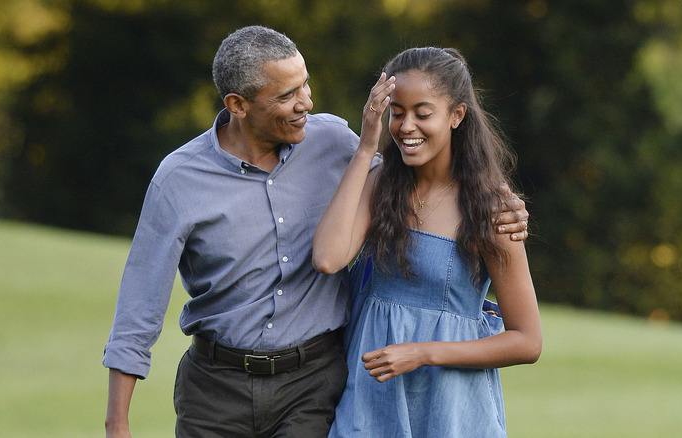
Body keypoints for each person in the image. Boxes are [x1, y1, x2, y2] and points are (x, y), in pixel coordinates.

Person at [103, 26, 530, 438]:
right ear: (238, 104)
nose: (305, 102)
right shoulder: (180, 178)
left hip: (331, 387)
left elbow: (523, 334)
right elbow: (139, 306)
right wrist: (116, 425)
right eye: (287, 94)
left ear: (457, 115)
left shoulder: (333, 142)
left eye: (305, 84)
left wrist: (498, 199)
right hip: (228, 386)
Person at [312, 46, 542, 438]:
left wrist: (423, 352)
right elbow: (328, 258)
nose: (406, 127)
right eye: (397, 112)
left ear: (456, 116)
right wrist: (367, 146)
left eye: (423, 112)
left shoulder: (491, 209)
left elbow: (527, 341)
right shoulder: (381, 184)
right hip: (371, 403)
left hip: (450, 410)